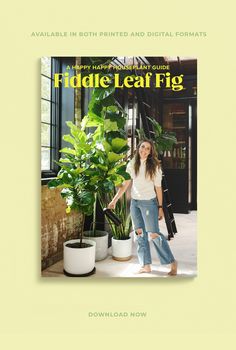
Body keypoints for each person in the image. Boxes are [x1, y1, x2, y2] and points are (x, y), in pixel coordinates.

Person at [108, 139, 177, 276]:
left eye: (148, 149)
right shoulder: (133, 163)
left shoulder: (155, 166)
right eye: (143, 147)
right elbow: (126, 184)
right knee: (139, 234)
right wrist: (114, 200)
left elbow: (158, 188)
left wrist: (160, 207)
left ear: (151, 152)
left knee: (154, 234)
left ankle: (172, 262)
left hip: (149, 203)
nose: (144, 150)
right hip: (135, 203)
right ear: (138, 147)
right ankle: (146, 265)